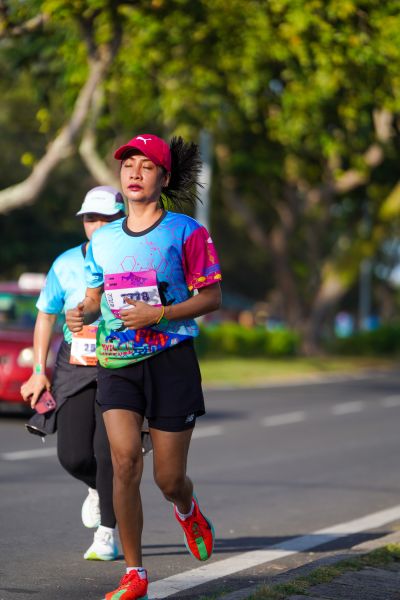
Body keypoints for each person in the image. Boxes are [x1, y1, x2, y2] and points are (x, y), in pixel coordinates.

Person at [66, 134, 222, 600]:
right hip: (117, 361)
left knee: (167, 478)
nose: (134, 172)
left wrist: (160, 314)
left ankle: (186, 508)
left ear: (164, 178)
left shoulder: (187, 232)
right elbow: (95, 298)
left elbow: (211, 296)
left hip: (171, 360)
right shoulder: (103, 239)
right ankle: (134, 572)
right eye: (128, 164)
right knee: (124, 461)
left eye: (146, 166)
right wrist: (81, 313)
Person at [20, 186, 126, 561]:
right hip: (75, 362)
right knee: (73, 455)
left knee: (107, 452)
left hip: (121, 360)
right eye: (90, 219)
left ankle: (107, 533)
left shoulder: (134, 259)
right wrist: (38, 371)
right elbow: (45, 315)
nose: (97, 226)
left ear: (122, 219)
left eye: (107, 219)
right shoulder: (65, 263)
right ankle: (97, 489)